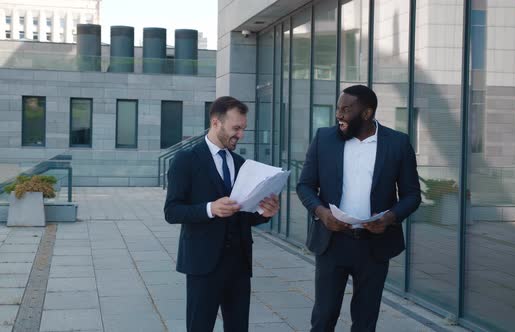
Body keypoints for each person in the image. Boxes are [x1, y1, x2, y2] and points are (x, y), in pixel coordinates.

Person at [297, 85, 421, 331]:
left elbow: (412, 195)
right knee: (323, 317)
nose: (339, 115)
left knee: (365, 321)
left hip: (374, 244)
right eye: (337, 109)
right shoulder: (324, 138)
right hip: (332, 241)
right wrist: (322, 213)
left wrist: (389, 218)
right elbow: (305, 186)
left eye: (346, 110)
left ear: (366, 113)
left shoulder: (397, 143)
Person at [164, 96, 280, 332]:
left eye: (243, 128)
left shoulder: (240, 163)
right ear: (216, 122)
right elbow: (172, 211)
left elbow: (244, 214)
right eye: (236, 128)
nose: (241, 134)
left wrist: (265, 212)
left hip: (239, 262)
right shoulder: (186, 159)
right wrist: (210, 208)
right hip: (202, 263)